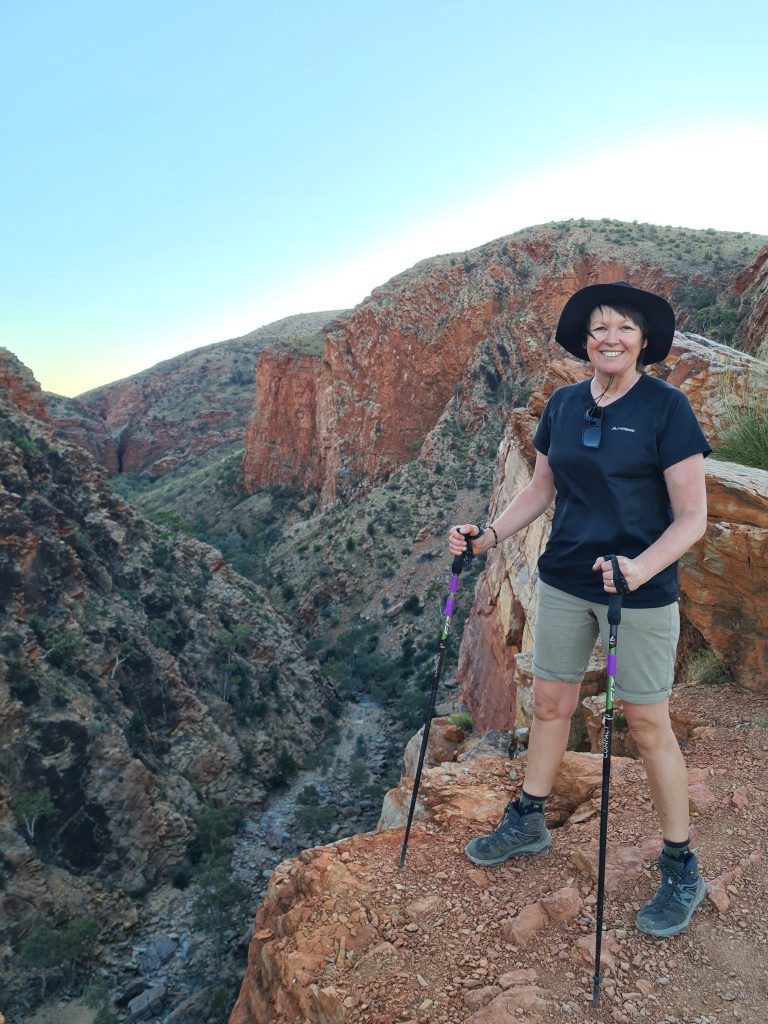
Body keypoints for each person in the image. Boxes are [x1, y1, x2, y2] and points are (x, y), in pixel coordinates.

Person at [449, 280, 710, 938]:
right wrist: (489, 536)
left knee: (648, 723)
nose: (610, 337)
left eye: (623, 327)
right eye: (598, 329)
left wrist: (640, 567)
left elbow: (692, 518)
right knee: (549, 704)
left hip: (639, 591)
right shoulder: (564, 405)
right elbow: (542, 487)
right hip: (566, 577)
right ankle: (530, 819)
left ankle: (681, 864)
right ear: (585, 342)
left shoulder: (666, 408)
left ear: (644, 339)